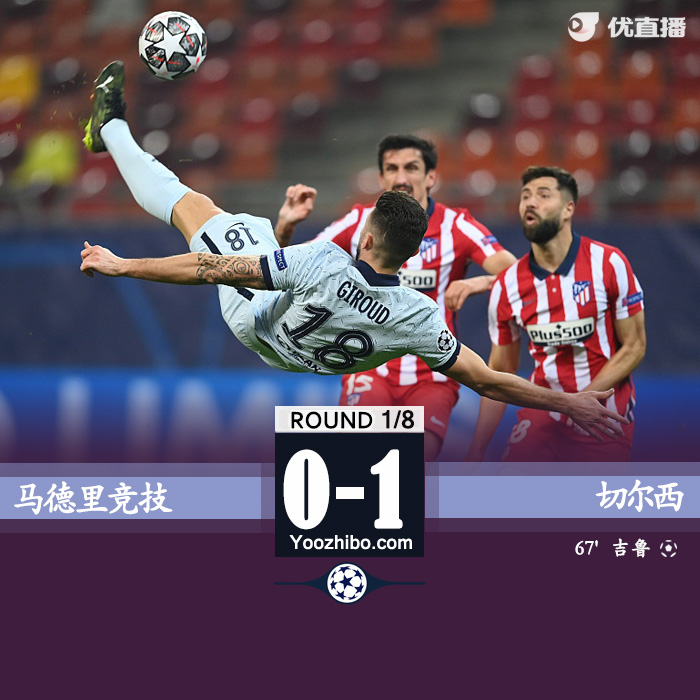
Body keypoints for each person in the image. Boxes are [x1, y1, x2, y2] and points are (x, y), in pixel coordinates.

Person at [80, 62, 628, 445]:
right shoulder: (419, 315)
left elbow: (210, 269)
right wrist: (568, 401)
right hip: (312, 357)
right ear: (412, 257)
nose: (401, 176)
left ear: (366, 237)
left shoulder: (325, 259)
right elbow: (487, 379)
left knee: (195, 208)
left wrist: (122, 265)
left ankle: (111, 129)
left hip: (258, 322)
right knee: (256, 232)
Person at [274, 135, 517, 460]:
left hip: (432, 375)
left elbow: (519, 276)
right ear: (381, 178)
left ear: (431, 177)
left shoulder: (457, 226)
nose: (401, 177)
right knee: (359, 460)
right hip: (368, 366)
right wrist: (285, 227)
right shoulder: (360, 222)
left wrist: (479, 282)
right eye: (392, 168)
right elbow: (290, 265)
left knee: (412, 464)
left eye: (411, 167)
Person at [466, 166, 646, 462]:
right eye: (525, 196)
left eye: (543, 195)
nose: (530, 202)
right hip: (543, 414)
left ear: (568, 209)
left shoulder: (609, 263)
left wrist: (582, 401)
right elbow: (500, 373)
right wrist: (476, 450)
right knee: (511, 490)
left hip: (604, 414)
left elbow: (634, 346)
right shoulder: (507, 285)